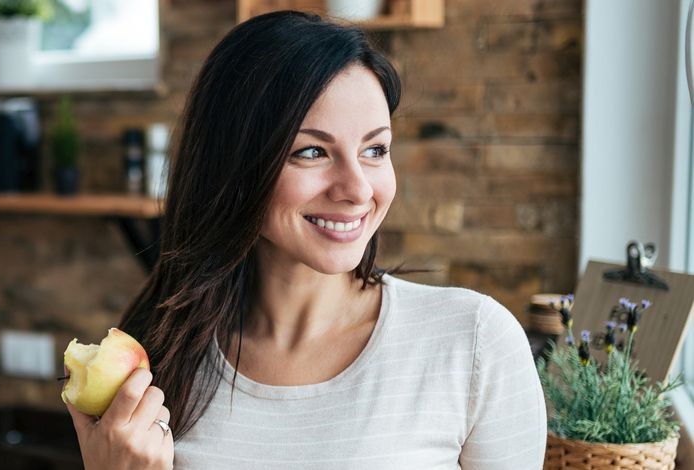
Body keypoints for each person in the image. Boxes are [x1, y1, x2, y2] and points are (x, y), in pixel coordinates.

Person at [63, 10, 546, 470]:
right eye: (313, 151)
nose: (357, 188)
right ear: (235, 166)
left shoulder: (473, 341)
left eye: (375, 149)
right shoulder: (161, 356)